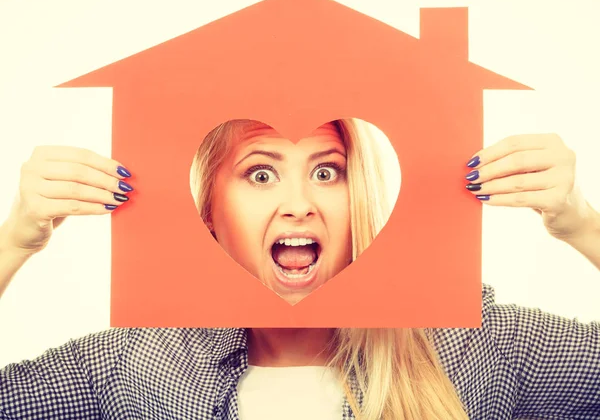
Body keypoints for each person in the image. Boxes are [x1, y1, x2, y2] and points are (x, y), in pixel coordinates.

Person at [0, 119, 598, 419]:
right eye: (261, 174)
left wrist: (581, 224)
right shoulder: (136, 361)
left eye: (326, 171)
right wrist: (13, 243)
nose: (298, 203)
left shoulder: (472, 342)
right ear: (208, 214)